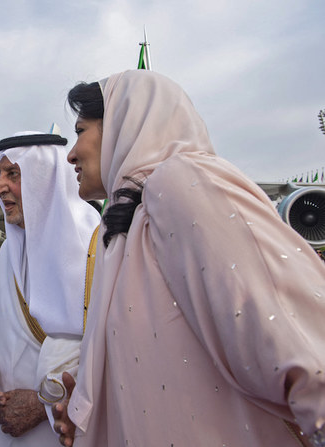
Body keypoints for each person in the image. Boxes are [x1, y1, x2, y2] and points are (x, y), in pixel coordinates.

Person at [53, 69, 325, 447]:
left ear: (121, 124)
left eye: (81, 131)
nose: (70, 153)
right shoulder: (125, 227)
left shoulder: (181, 181)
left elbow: (294, 340)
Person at [0, 132, 100, 446]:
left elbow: (109, 347)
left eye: (13, 174)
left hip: (61, 428)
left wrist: (41, 404)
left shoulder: (94, 245)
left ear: (44, 180)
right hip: (4, 425)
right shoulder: (6, 254)